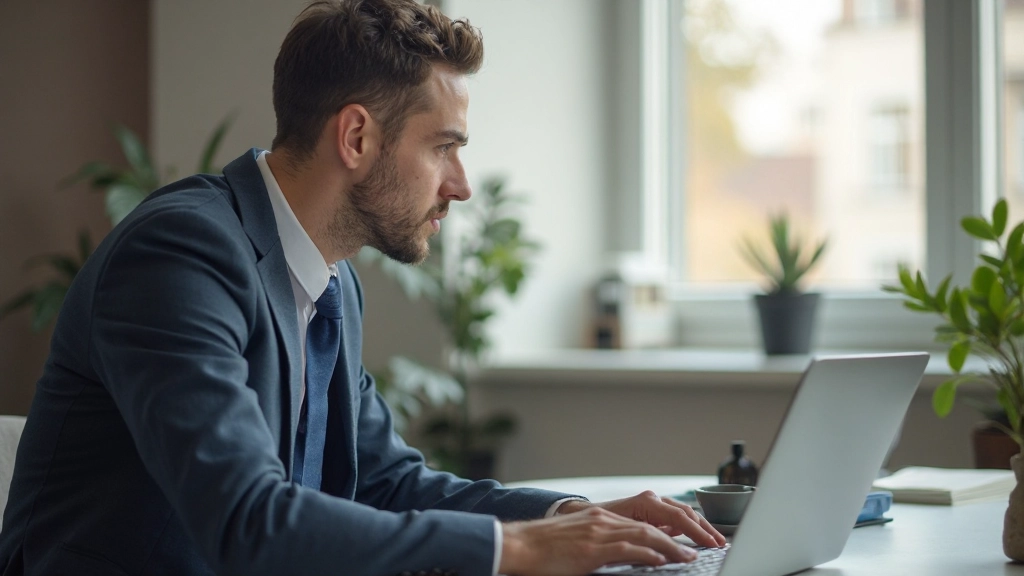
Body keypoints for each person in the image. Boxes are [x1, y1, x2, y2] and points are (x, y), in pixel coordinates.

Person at [0, 1, 726, 574]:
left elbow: (386, 481)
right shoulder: (180, 255)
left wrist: (570, 515)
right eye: (443, 147)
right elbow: (246, 522)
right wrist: (524, 553)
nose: (461, 186)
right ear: (356, 138)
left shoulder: (330, 282)